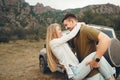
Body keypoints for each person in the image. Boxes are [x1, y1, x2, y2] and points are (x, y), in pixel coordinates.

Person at [46, 23, 115, 80]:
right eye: (59, 30)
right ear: (53, 32)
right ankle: (111, 77)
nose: (61, 31)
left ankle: (111, 75)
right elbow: (70, 35)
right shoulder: (53, 43)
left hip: (77, 68)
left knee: (100, 73)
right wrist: (79, 24)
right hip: (74, 72)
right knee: (95, 55)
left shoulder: (59, 42)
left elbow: (68, 37)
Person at [62, 13, 115, 80]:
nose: (66, 28)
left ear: (72, 21)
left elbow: (105, 39)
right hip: (83, 74)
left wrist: (96, 60)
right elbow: (72, 53)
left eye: (66, 25)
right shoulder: (73, 36)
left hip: (94, 74)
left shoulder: (85, 30)